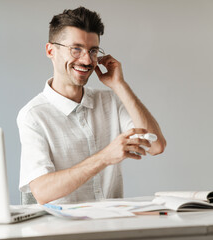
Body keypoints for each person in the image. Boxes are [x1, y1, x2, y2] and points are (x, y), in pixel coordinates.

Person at [17, 6, 166, 205]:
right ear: (51, 50)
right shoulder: (33, 116)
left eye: (93, 51)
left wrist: (119, 85)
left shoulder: (110, 101)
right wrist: (104, 157)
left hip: (111, 228)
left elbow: (156, 146)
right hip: (62, 232)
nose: (87, 60)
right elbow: (42, 191)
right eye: (76, 49)